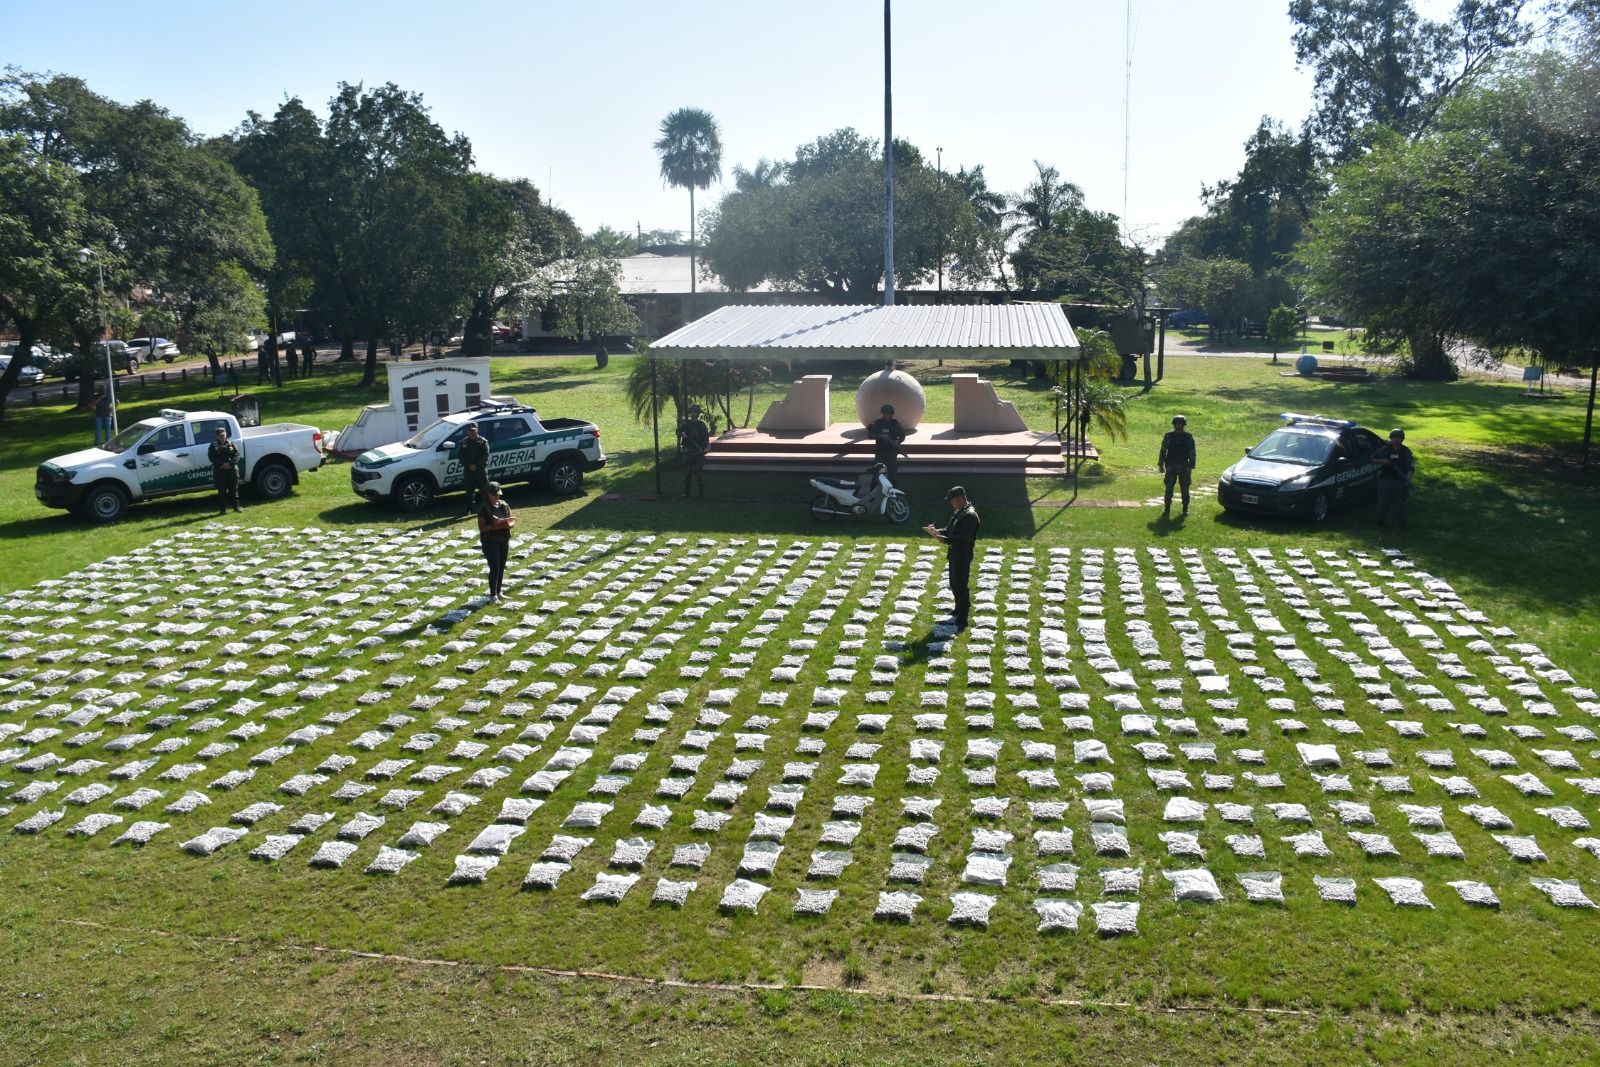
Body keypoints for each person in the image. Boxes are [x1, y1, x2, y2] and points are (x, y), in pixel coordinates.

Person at [924, 485, 981, 632]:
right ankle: (957, 610)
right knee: (954, 584)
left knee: (961, 586)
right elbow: (950, 530)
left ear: (960, 499)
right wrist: (937, 531)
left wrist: (946, 540)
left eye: (952, 500)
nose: (951, 503)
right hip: (955, 554)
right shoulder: (959, 512)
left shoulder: (969, 516)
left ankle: (962, 620)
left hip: (962, 555)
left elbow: (964, 539)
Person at [476, 481, 515, 601]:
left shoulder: (504, 505)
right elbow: (482, 528)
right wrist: (493, 526)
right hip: (490, 542)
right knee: (495, 568)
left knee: (502, 567)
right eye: (494, 495)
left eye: (498, 494)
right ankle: (493, 594)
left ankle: (499, 592)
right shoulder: (483, 508)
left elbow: (512, 521)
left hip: (503, 540)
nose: (497, 497)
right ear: (488, 494)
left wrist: (507, 523)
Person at [1371, 427, 1415, 528]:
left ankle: (1403, 526)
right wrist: (1383, 461)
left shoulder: (1406, 451)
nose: (1396, 439)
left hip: (1400, 481)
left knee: (1401, 505)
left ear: (1402, 439)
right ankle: (1379, 524)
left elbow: (1410, 467)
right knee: (1382, 503)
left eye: (1399, 438)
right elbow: (1372, 459)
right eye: (1394, 437)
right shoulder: (1385, 449)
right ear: (1391, 438)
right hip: (1385, 480)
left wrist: (1407, 479)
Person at [1157, 414, 1197, 517]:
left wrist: (1190, 467)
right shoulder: (1168, 436)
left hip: (1184, 465)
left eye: (1180, 423)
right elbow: (1163, 450)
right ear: (1174, 424)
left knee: (1185, 488)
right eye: (1177, 423)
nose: (1178, 425)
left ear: (1183, 425)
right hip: (1171, 465)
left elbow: (1192, 452)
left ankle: (1185, 508)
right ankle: (1167, 508)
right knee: (1169, 487)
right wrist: (1161, 464)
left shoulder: (1188, 436)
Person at [867, 403, 906, 486]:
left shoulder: (896, 424)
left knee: (893, 475)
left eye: (888, 413)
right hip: (880, 452)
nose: (887, 415)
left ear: (892, 414)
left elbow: (902, 436)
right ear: (882, 413)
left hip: (891, 453)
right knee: (876, 473)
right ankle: (873, 490)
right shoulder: (877, 423)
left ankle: (894, 492)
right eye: (885, 413)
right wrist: (881, 435)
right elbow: (870, 435)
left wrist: (897, 441)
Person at [677, 404, 710, 498]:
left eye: (695, 412)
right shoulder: (685, 424)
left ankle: (701, 494)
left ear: (698, 413)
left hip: (698, 451)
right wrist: (682, 435)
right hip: (687, 451)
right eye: (692, 412)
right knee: (687, 473)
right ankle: (687, 493)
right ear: (690, 413)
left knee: (699, 473)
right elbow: (678, 431)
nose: (694, 413)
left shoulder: (701, 425)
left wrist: (702, 447)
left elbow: (705, 438)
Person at [459, 421, 491, 515]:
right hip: (468, 471)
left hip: (480, 470)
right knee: (469, 491)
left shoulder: (482, 442)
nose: (471, 432)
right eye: (470, 430)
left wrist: (476, 466)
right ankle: (469, 509)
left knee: (485, 491)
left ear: (477, 430)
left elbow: (486, 455)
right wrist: (468, 465)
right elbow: (460, 456)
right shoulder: (464, 442)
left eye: (473, 430)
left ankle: (488, 509)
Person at [208, 427, 242, 514]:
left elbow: (237, 454)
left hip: (232, 470)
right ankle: (223, 510)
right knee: (222, 491)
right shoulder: (213, 446)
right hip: (220, 471)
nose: (223, 437)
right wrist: (222, 464)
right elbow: (211, 458)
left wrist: (230, 464)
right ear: (217, 436)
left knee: (234, 489)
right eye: (220, 436)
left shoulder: (231, 444)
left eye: (224, 435)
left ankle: (236, 507)